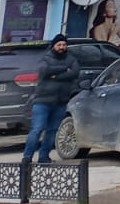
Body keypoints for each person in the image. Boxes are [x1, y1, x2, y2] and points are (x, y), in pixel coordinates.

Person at [23, 34, 79, 165]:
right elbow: (44, 71)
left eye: (64, 45)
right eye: (59, 45)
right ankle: (27, 157)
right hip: (42, 101)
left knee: (52, 131)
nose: (62, 47)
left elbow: (75, 72)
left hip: (60, 102)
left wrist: (55, 75)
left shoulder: (71, 58)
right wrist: (64, 69)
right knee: (37, 129)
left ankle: (44, 156)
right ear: (54, 46)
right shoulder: (46, 58)